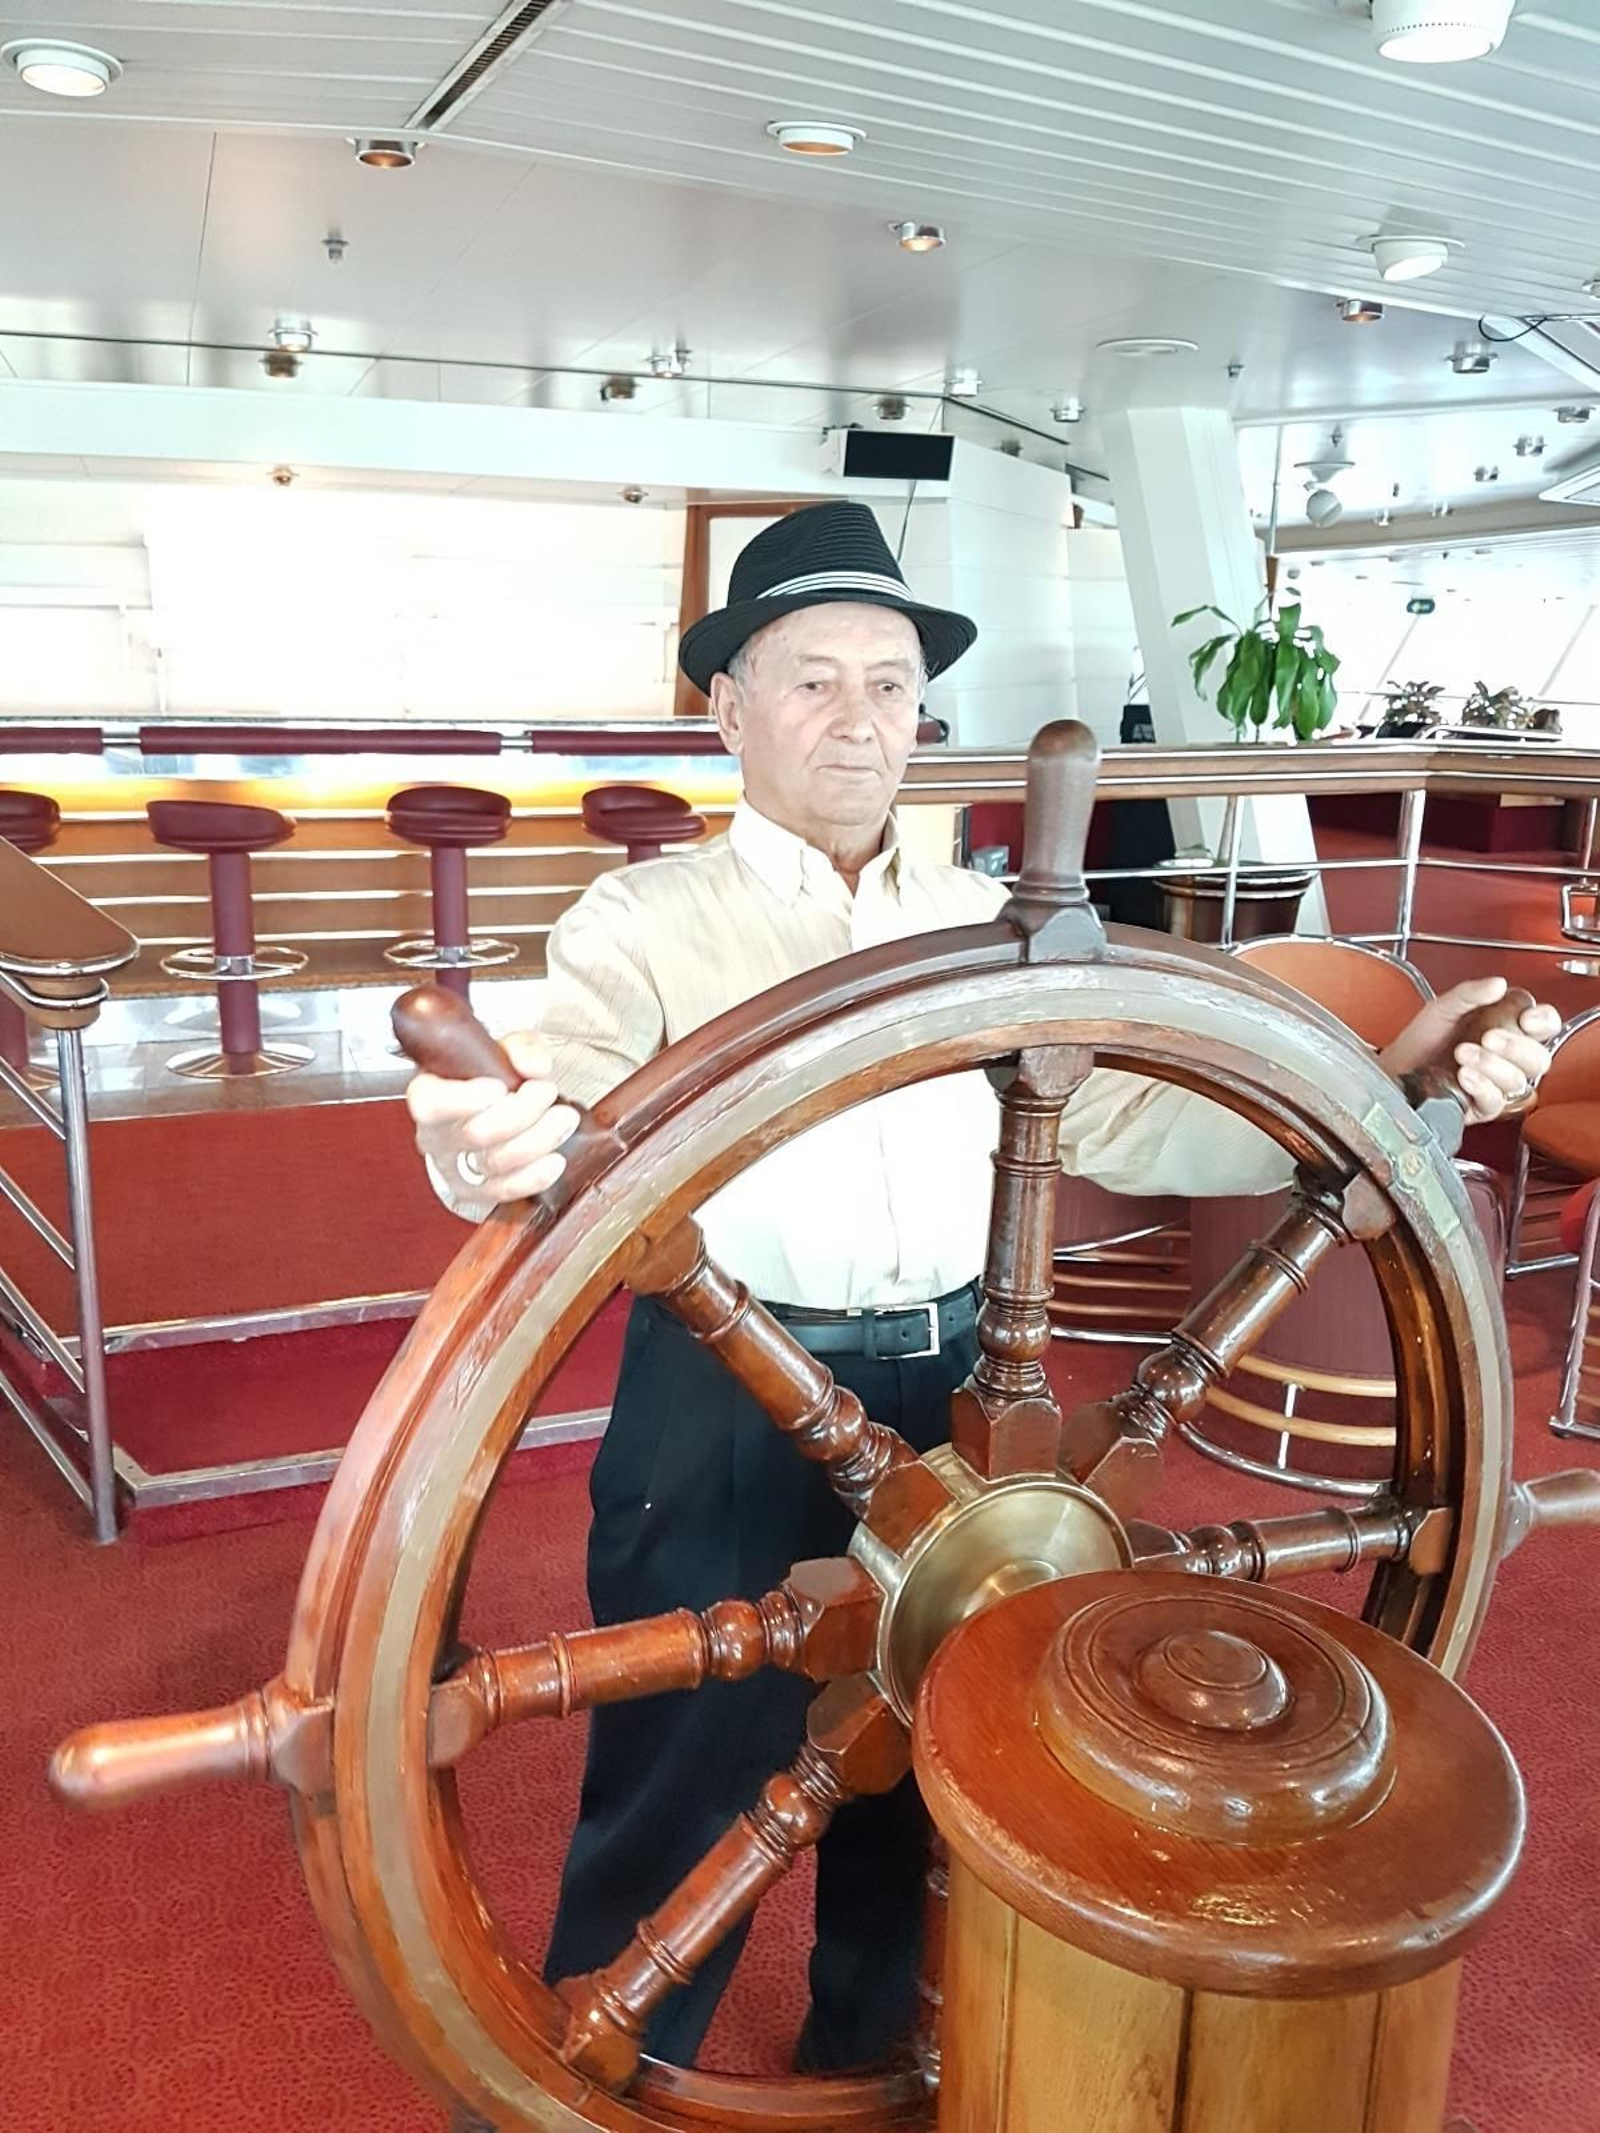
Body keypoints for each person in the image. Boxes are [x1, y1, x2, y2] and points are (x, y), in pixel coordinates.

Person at [407, 501, 1557, 2080]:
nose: (858, 716)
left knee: (939, 1778)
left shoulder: (984, 923)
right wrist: (478, 1140)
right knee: (679, 1779)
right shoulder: (642, 921)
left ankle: (870, 2075)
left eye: (889, 681)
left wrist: (1388, 1080)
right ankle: (573, 2098)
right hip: (729, 1411)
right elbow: (552, 1134)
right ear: (727, 704)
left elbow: (1134, 1119)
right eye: (811, 678)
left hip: (959, 1392)